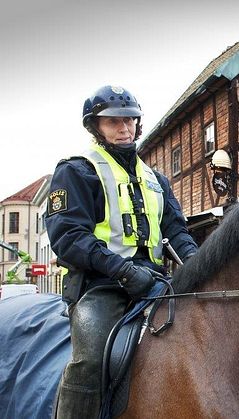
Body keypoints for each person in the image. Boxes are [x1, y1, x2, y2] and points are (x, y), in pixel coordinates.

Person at [46, 85, 198, 419]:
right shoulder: (76, 170)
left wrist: (199, 264)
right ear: (95, 126)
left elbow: (176, 231)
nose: (124, 128)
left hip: (157, 282)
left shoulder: (155, 179)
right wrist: (124, 271)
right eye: (113, 121)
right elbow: (68, 236)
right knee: (89, 361)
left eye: (130, 120)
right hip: (101, 286)